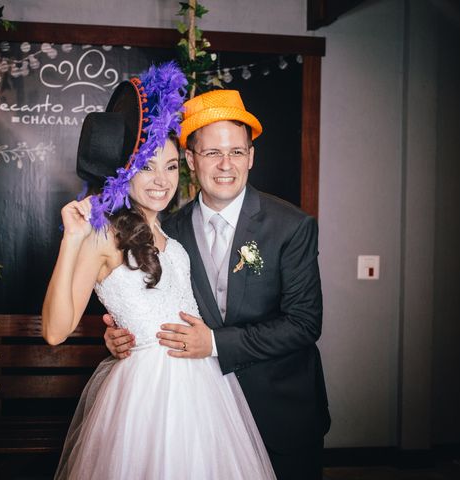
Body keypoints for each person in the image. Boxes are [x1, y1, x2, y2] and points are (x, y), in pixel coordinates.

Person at [42, 63, 276, 480]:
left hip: (206, 391)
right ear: (126, 171)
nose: (161, 180)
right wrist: (71, 240)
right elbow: (56, 331)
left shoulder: (173, 237)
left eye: (171, 167)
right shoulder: (102, 236)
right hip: (147, 395)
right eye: (147, 166)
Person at [104, 89, 331, 480]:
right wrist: (119, 334)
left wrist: (213, 344)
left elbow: (304, 323)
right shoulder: (166, 231)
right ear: (191, 160)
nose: (226, 165)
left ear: (251, 157)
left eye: (237, 152)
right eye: (212, 153)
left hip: (281, 415)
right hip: (198, 423)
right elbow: (151, 302)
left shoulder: (292, 226)